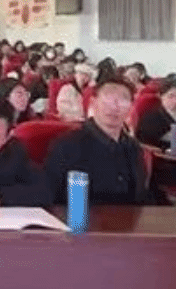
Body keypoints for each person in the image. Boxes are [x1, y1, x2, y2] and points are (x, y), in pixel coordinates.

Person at [45, 76, 152, 206]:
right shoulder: (67, 145)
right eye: (107, 100)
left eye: (122, 101)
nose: (114, 108)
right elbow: (54, 198)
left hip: (130, 218)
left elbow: (142, 196)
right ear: (93, 103)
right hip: (81, 217)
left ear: (131, 108)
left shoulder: (133, 147)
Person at [136, 78, 176, 150]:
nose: (175, 101)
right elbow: (142, 144)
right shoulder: (149, 118)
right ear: (161, 95)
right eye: (170, 96)